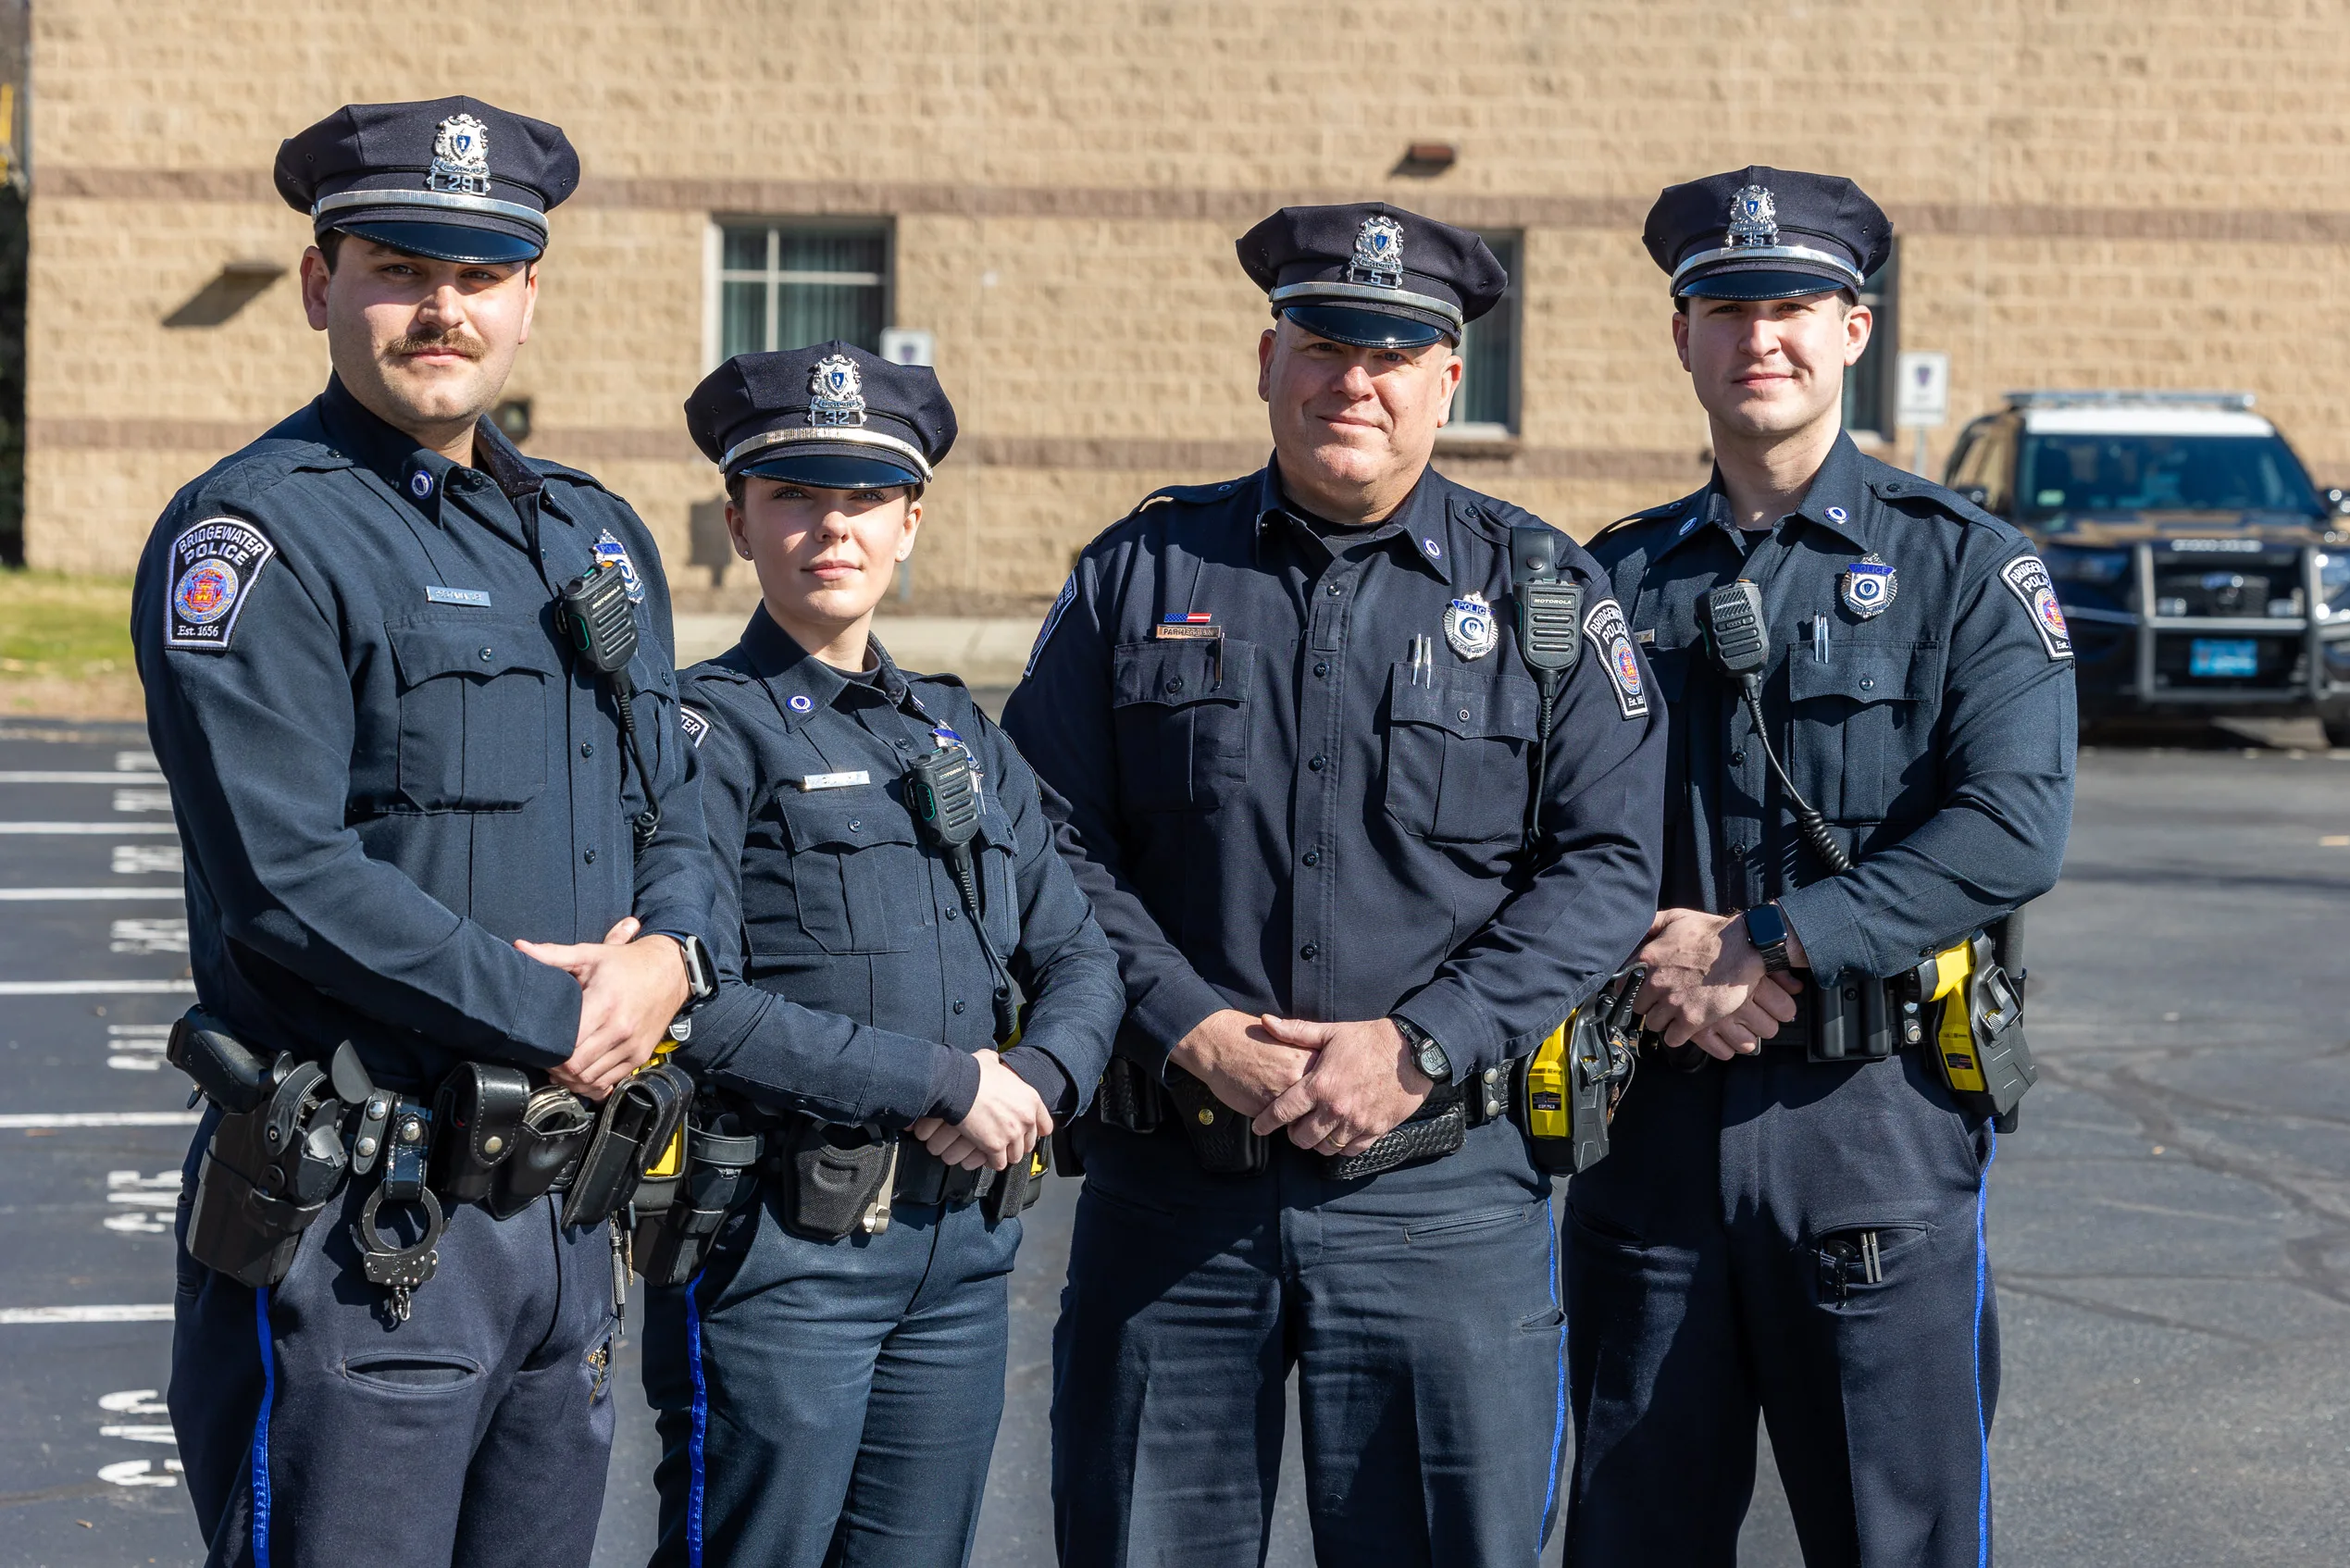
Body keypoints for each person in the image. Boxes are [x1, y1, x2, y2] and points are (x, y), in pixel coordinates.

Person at [1005, 203, 1668, 1566]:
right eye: (1322, 342)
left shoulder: (1544, 593)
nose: (1350, 379)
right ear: (1267, 359)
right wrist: (1187, 1021)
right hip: (1174, 1192)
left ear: (1446, 379)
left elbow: (1604, 869)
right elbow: (1043, 837)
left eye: (1393, 348)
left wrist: (1423, 1043)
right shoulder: (1139, 574)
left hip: (1438, 1198)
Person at [135, 98, 714, 1567]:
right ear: (321, 283)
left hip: (562, 1225)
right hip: (366, 1226)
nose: (440, 307)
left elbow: (679, 795)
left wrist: (677, 955)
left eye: (481, 273)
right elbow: (284, 877)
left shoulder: (591, 536)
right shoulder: (260, 536)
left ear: (529, 296)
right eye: (399, 265)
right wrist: (563, 1011)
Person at [1565, 167, 2078, 1566]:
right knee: (1631, 1530)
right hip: (1650, 1127)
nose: (1757, 338)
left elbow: (2011, 823)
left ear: (1854, 328)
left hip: (1874, 1131)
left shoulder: (1964, 567)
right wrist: (1658, 965)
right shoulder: (1608, 582)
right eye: (1723, 308)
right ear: (1680, 336)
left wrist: (1774, 936)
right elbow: (1537, 835)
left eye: (1790, 304)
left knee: (1895, 1534)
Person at [640, 342, 1125, 1568]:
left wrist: (1041, 1085)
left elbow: (1080, 953)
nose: (830, 527)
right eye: (794, 495)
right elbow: (694, 1000)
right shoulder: (704, 731)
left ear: (909, 522)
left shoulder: (956, 732)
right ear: (739, 522)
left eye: (863, 499)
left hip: (959, 1257)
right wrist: (944, 1083)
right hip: (781, 1257)